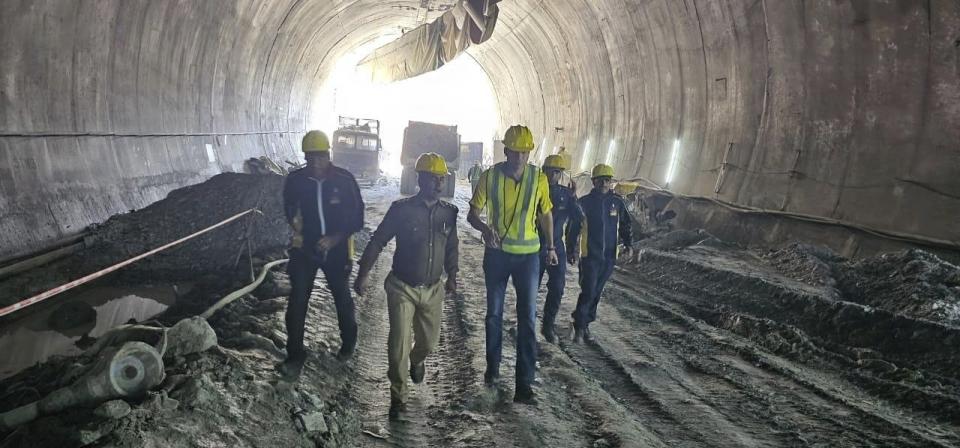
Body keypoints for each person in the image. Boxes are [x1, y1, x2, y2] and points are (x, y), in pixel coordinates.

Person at [354, 153, 459, 419]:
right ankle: (398, 399)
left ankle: (417, 359)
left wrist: (454, 275)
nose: (438, 184)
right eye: (433, 178)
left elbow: (452, 247)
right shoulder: (401, 210)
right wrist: (363, 274)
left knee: (429, 343)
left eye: (441, 179)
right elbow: (378, 241)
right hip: (402, 287)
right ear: (419, 179)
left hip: (434, 289)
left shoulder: (449, 213)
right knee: (399, 344)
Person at [467, 125, 556, 405]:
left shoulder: (538, 179)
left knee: (527, 319)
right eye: (514, 152)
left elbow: (546, 215)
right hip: (496, 256)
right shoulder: (489, 177)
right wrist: (483, 227)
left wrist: (551, 247)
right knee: (494, 315)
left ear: (530, 153)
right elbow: (472, 214)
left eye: (524, 153)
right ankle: (493, 370)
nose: (519, 157)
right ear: (505, 151)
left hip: (528, 258)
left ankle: (524, 385)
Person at [278, 130, 364, 378]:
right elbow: (290, 208)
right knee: (297, 301)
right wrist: (296, 226)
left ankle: (348, 344)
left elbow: (358, 219)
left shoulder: (344, 181)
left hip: (337, 250)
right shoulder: (296, 181)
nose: (314, 163)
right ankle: (295, 354)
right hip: (304, 249)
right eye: (309, 158)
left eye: (319, 157)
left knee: (342, 298)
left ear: (328, 155)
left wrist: (335, 238)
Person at [566, 164, 632, 345]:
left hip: (610, 256)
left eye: (608, 179)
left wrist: (628, 244)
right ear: (593, 181)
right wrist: (570, 249)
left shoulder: (617, 202)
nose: (604, 182)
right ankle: (579, 326)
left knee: (596, 292)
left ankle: (585, 323)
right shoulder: (585, 203)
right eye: (601, 179)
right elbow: (573, 228)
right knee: (588, 291)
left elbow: (626, 224)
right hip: (589, 256)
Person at [538, 155, 583, 344]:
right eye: (550, 170)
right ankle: (526, 324)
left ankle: (548, 325)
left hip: (557, 246)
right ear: (544, 170)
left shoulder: (566, 194)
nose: (553, 175)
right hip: (534, 246)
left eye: (557, 172)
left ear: (561, 174)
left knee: (557, 287)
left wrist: (574, 198)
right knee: (530, 288)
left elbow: (578, 218)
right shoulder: (534, 190)